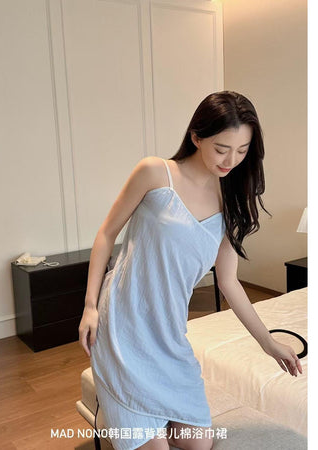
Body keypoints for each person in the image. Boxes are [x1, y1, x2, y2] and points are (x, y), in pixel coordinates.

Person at [78, 91, 303, 450]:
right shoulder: (155, 173)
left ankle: (128, 418)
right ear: (197, 137)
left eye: (242, 151)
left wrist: (269, 344)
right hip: (123, 323)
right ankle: (120, 413)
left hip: (169, 334)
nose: (231, 160)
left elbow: (228, 282)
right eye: (221, 148)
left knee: (199, 443)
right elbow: (106, 234)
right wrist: (90, 306)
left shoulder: (232, 201)